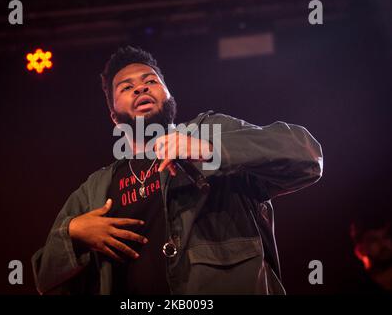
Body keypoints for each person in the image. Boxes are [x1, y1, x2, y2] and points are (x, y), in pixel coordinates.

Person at [31, 46, 323, 295]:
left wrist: (210, 149)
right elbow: (45, 277)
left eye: (151, 81)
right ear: (113, 116)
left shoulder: (211, 131)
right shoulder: (96, 188)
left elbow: (306, 155)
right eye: (126, 87)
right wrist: (73, 234)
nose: (141, 88)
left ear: (169, 96)